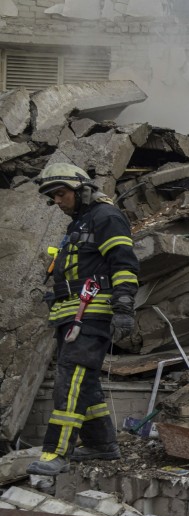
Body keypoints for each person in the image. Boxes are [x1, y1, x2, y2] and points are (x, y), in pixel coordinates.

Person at [27, 164, 140, 476]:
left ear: (82, 190)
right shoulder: (80, 223)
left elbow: (124, 262)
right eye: (53, 197)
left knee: (69, 380)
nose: (58, 202)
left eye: (61, 194)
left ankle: (56, 452)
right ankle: (102, 444)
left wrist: (124, 307)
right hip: (70, 315)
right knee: (85, 383)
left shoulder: (106, 217)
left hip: (92, 314)